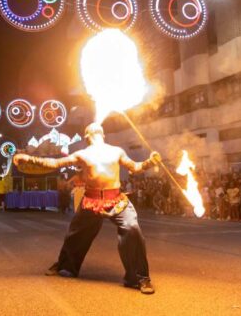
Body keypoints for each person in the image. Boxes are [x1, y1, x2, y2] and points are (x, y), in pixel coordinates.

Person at [13, 122, 161, 295]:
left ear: (89, 136)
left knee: (132, 228)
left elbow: (135, 167)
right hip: (91, 200)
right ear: (91, 136)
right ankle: (65, 265)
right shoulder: (82, 154)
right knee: (75, 233)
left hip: (116, 199)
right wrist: (30, 159)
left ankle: (139, 277)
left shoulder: (116, 151)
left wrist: (150, 162)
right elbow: (55, 163)